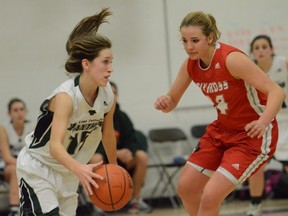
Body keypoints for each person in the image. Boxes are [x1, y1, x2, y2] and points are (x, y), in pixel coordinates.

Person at [154, 11, 285, 216]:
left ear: (210, 38)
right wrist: (165, 101)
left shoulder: (232, 59)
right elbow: (171, 101)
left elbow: (277, 91)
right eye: (185, 41)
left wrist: (262, 121)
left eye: (195, 41)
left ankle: (255, 203)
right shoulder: (190, 65)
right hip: (222, 131)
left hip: (251, 136)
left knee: (210, 197)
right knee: (186, 188)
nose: (189, 47)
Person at [16, 8, 117, 216]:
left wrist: (114, 168)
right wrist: (80, 169)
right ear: (86, 64)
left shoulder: (108, 96)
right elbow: (54, 145)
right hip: (39, 167)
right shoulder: (66, 97)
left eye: (111, 62)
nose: (110, 68)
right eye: (105, 62)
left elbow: (107, 134)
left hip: (68, 173)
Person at [90, 81, 152, 214]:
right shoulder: (93, 116)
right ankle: (98, 203)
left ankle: (136, 200)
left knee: (141, 156)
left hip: (121, 162)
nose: (111, 96)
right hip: (104, 162)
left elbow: (132, 138)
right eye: (107, 93)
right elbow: (91, 144)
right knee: (95, 158)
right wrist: (115, 153)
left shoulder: (122, 117)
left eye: (114, 93)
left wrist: (129, 151)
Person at [247, 34, 288, 216]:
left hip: (286, 121)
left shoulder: (283, 64)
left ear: (272, 49)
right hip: (264, 123)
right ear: (253, 52)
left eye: (264, 46)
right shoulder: (249, 69)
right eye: (257, 48)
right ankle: (255, 204)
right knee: (256, 167)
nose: (261, 50)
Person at [0, 98, 34, 216]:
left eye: (21, 109)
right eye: (15, 110)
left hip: (27, 165)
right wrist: (24, 166)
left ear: (25, 111)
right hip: (9, 166)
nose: (19, 113)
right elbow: (7, 157)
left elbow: (36, 154)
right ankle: (14, 209)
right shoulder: (4, 129)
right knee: (15, 170)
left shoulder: (32, 128)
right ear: (9, 114)